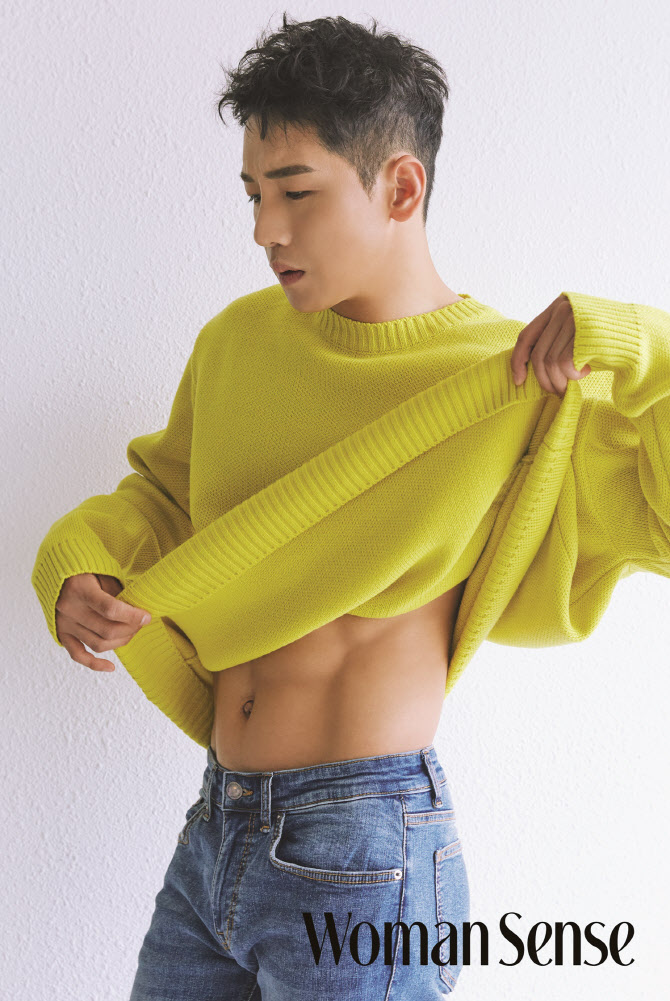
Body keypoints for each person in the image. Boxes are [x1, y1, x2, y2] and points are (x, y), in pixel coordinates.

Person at [31, 14, 670, 1001]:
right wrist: (82, 559)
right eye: (252, 194)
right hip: (215, 828)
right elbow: (164, 496)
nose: (264, 229)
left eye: (295, 192)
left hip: (366, 843)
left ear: (400, 188)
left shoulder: (520, 379)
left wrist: (638, 342)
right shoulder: (237, 341)